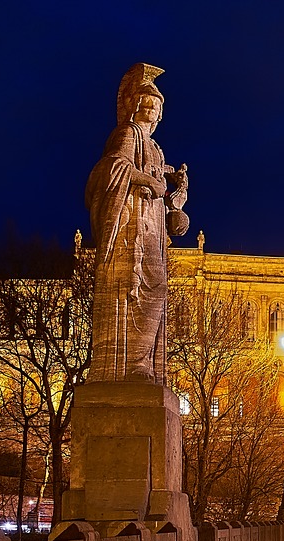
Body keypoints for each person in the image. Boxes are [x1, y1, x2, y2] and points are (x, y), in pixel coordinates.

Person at [86, 63, 188, 381]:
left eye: (156, 105)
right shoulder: (129, 133)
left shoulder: (155, 147)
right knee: (139, 290)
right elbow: (112, 167)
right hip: (132, 227)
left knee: (155, 290)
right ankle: (131, 364)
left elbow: (159, 181)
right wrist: (149, 181)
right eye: (146, 103)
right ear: (136, 106)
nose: (151, 108)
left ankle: (140, 361)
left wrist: (175, 196)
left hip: (153, 226)